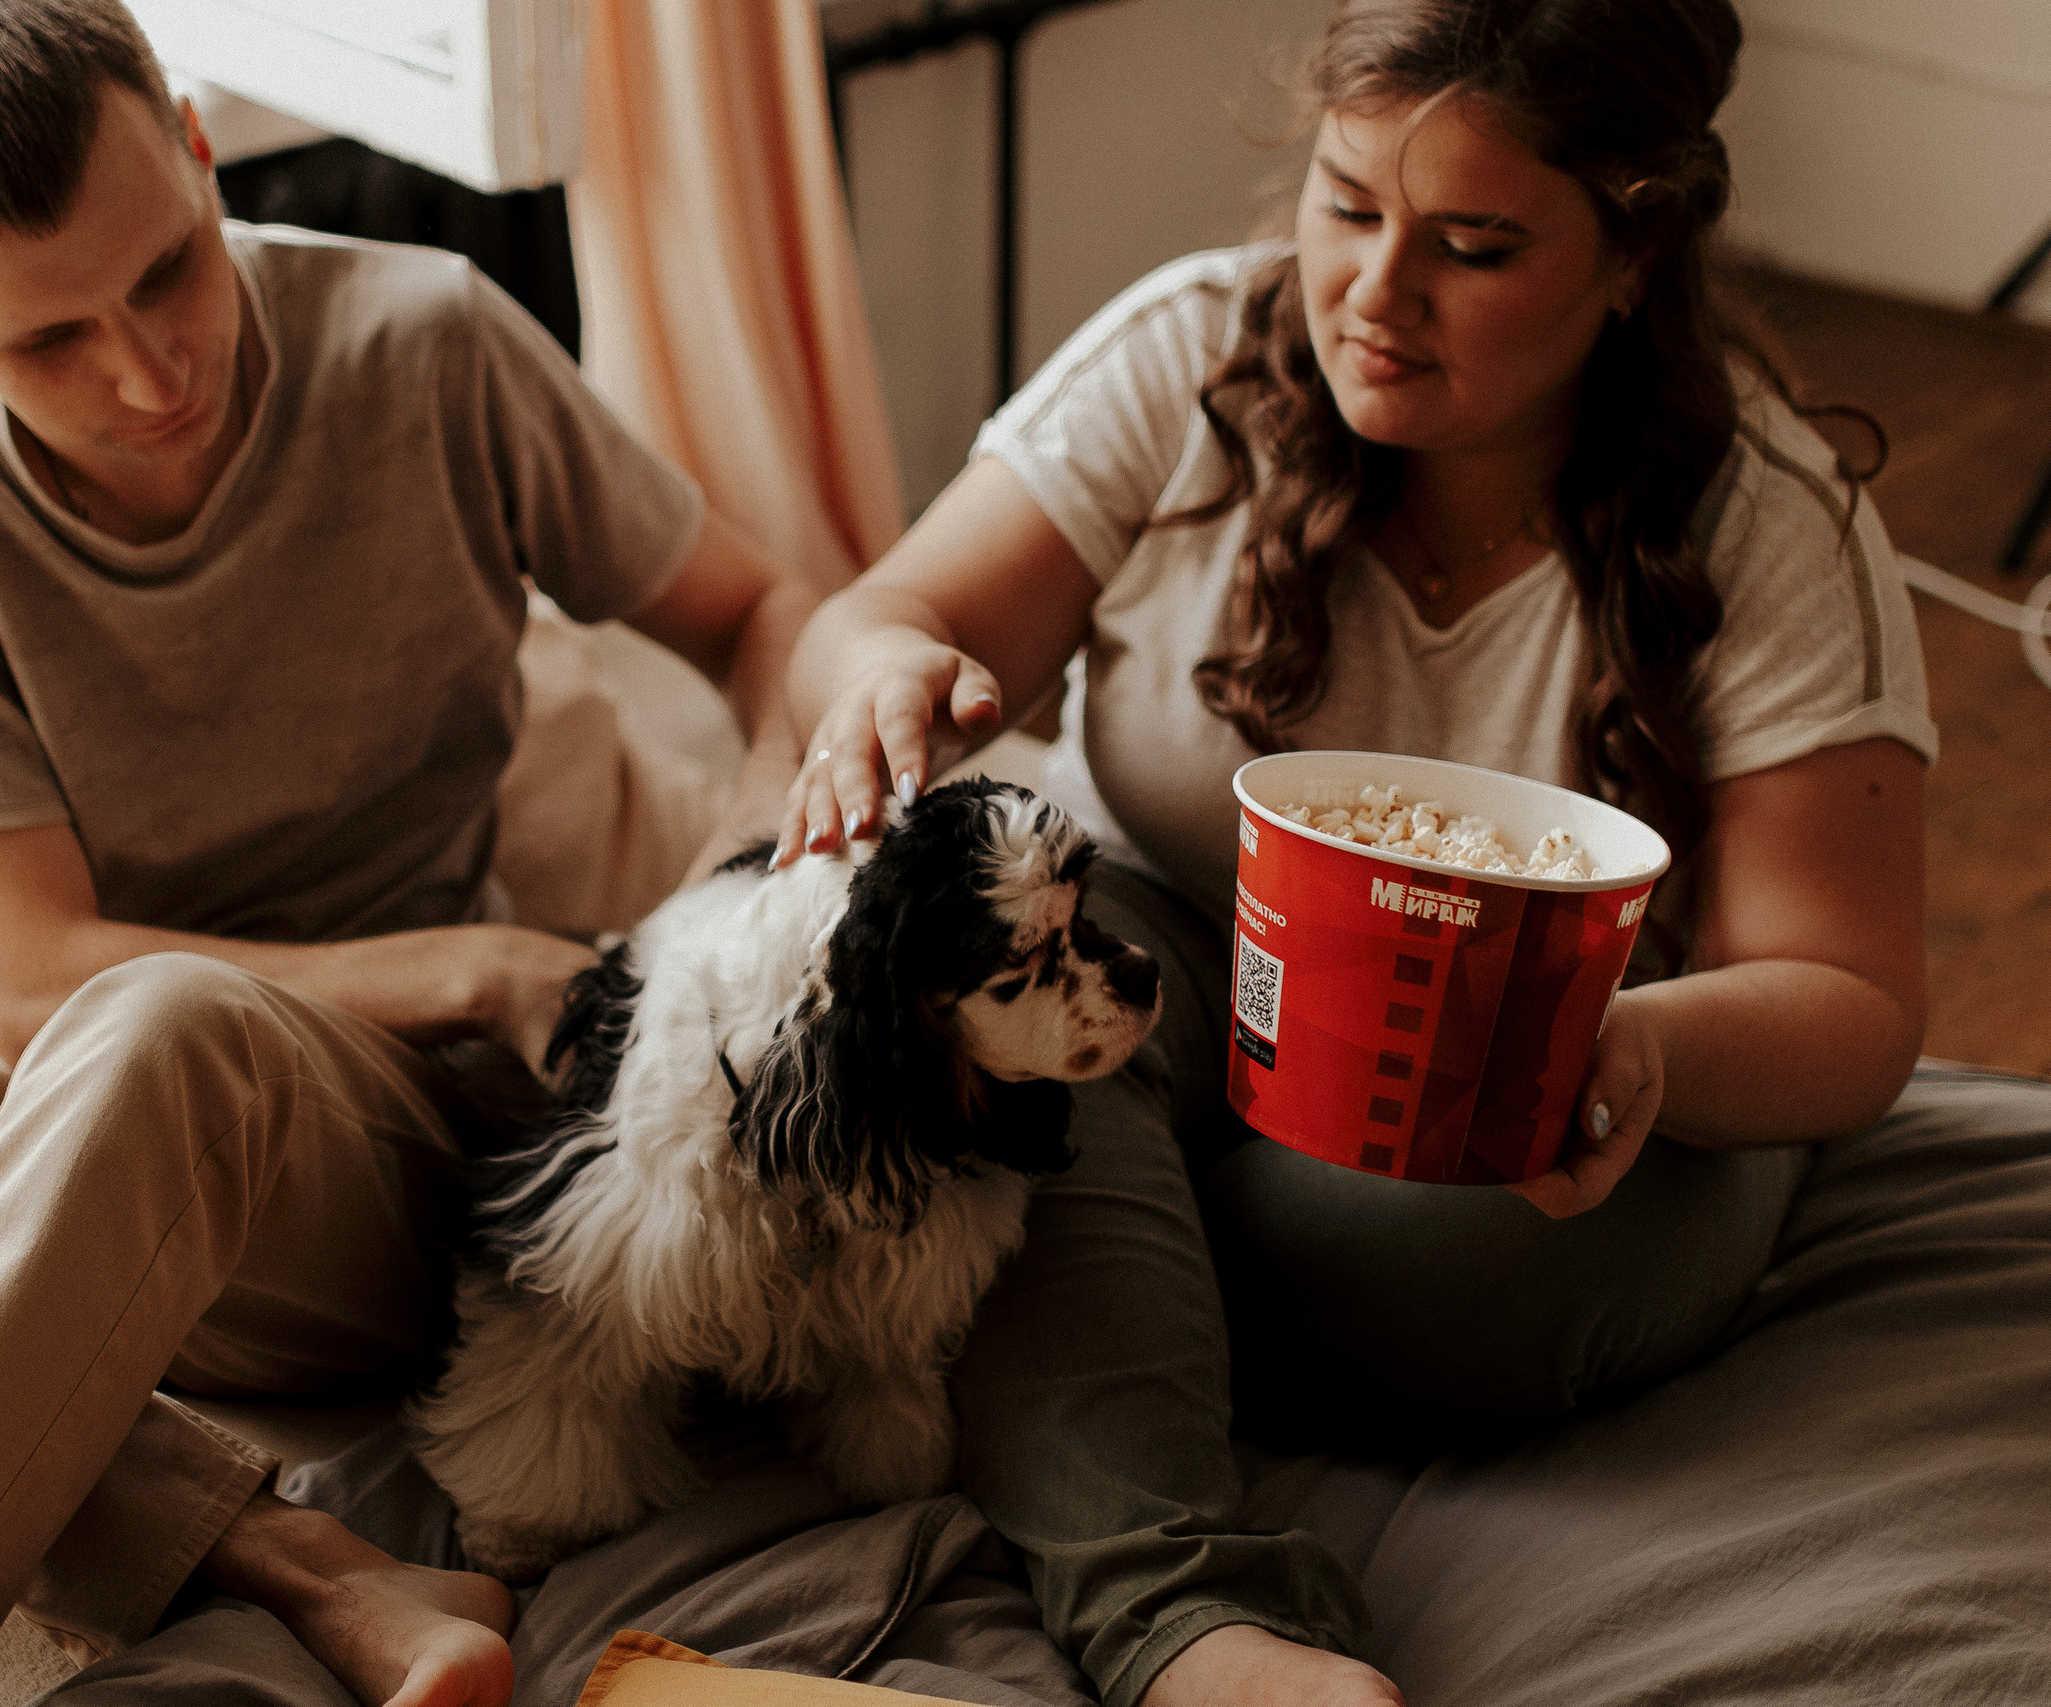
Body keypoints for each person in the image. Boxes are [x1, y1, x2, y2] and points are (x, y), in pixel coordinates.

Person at [0, 2, 814, 1705]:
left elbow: (762, 613)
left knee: (159, 1022)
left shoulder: (425, 338)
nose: (148, 371)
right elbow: (24, 983)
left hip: (358, 1153)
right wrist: (485, 964)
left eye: (170, 270)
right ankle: (295, 1556)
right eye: (47, 340)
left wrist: (733, 899)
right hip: (24, 1132)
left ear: (196, 149)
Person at [779, 1, 1932, 1703]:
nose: (1375, 293)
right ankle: (1186, 1621)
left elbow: (1848, 997)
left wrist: (1632, 1049)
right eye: (1346, 205)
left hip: (1567, 1054)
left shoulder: (1766, 519)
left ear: (1633, 255)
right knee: (1007, 1047)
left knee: (1425, 1256)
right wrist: (884, 673)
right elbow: (887, 614)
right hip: (1182, 948)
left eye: (1474, 247)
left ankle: (1090, 1288)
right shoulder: (1193, 350)